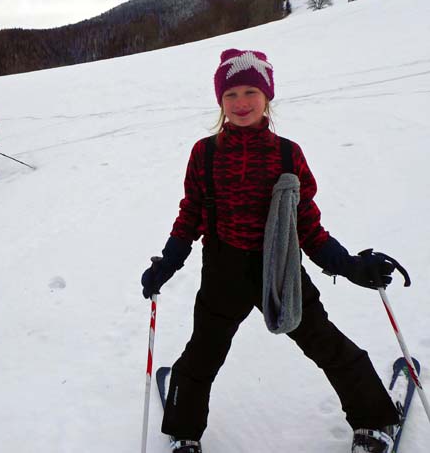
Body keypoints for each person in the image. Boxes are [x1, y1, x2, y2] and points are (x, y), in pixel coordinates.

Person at [141, 49, 402, 453]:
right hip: (223, 270)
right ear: (219, 101)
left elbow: (307, 226)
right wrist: (168, 262)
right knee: (203, 356)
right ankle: (185, 432)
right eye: (231, 94)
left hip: (279, 268)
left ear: (267, 97)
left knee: (324, 342)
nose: (241, 103)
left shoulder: (287, 154)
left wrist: (349, 266)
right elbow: (191, 212)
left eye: (250, 92)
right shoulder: (204, 153)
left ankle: (373, 419)